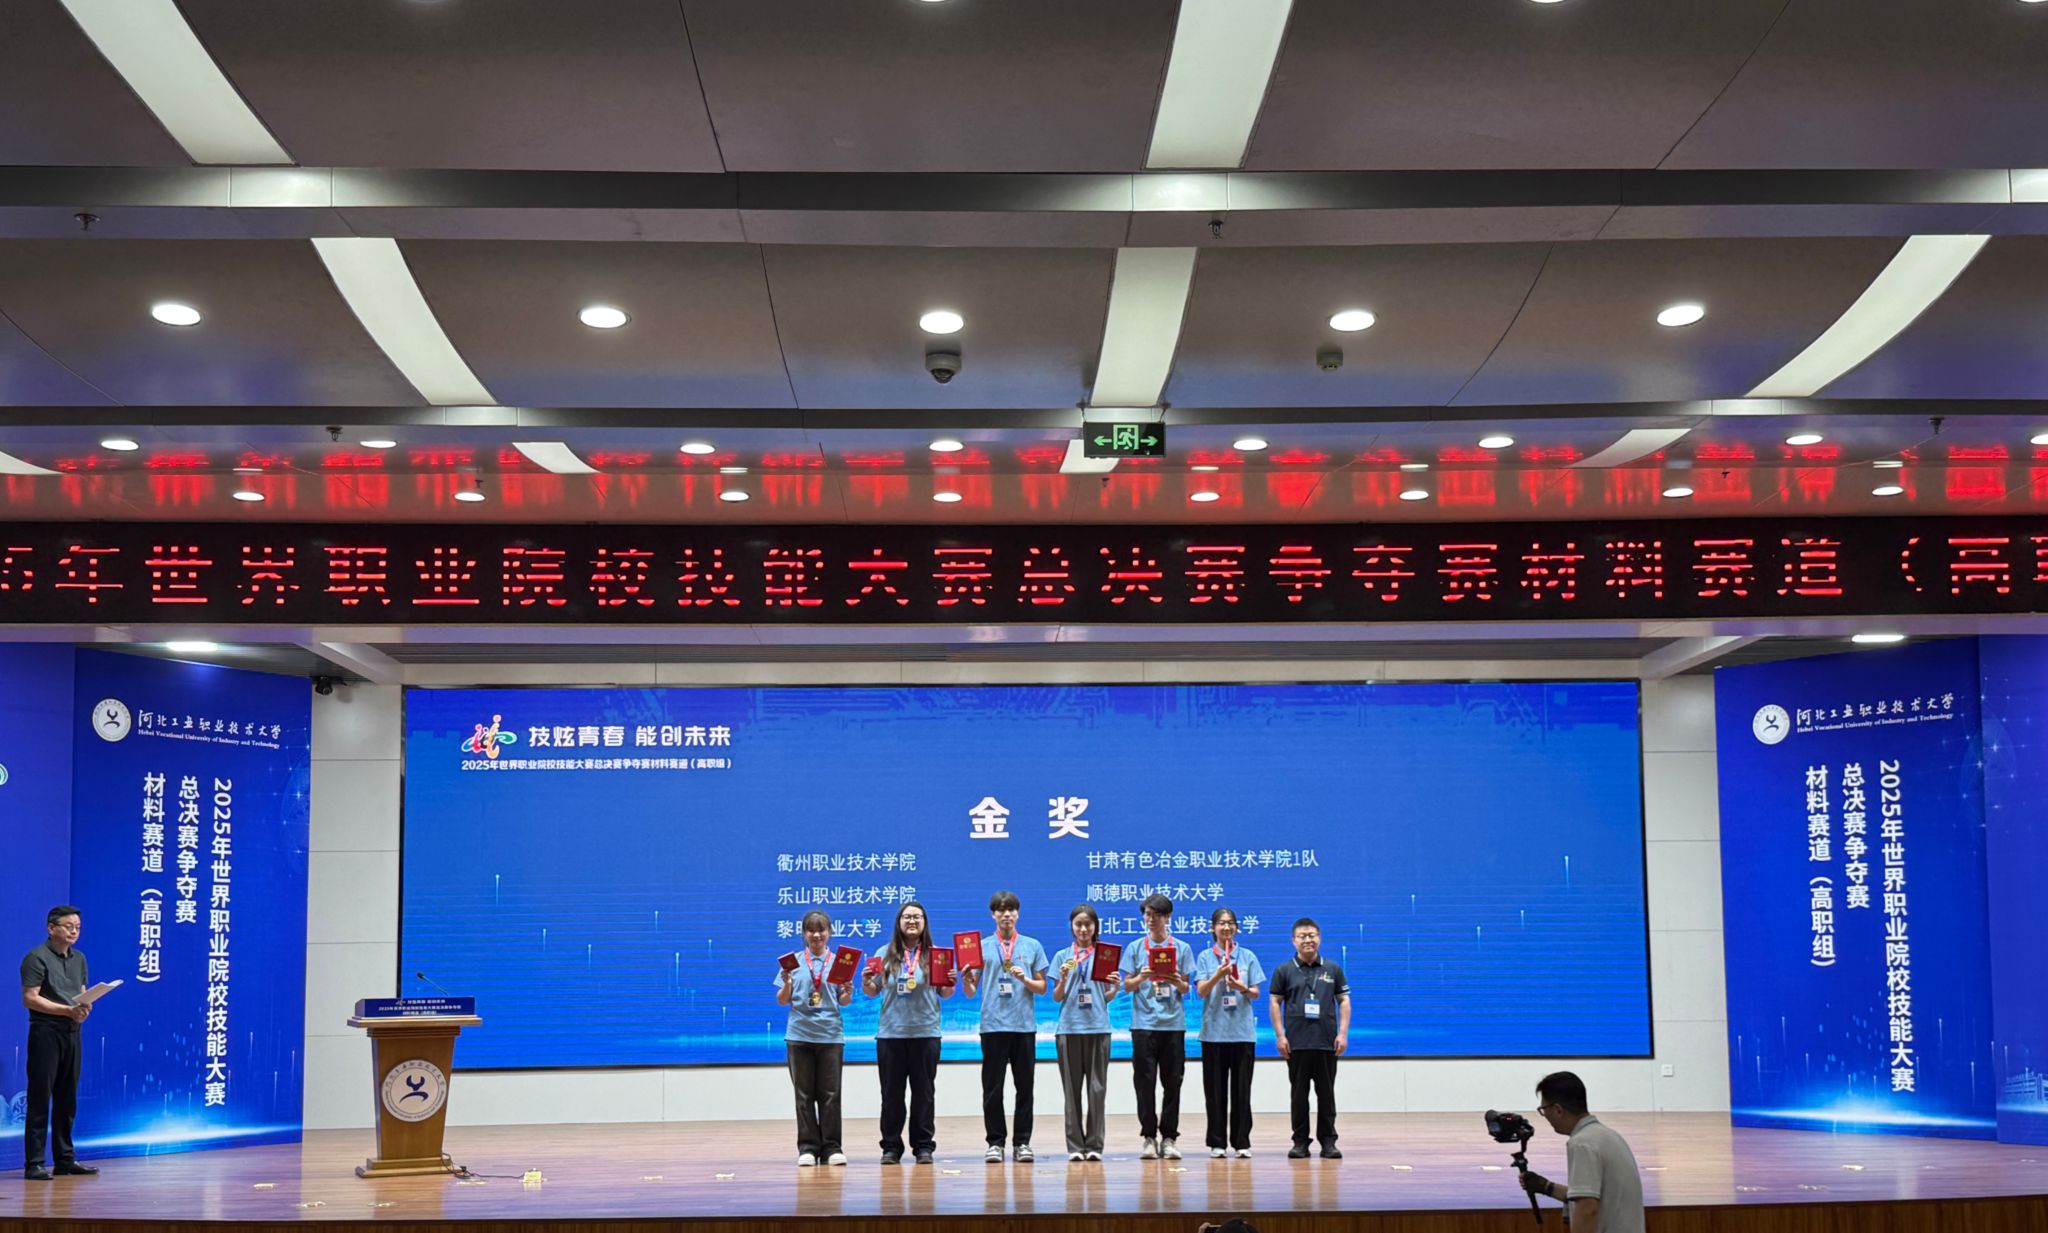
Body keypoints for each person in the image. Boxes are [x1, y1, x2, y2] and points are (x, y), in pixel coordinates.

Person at [961, 891, 1049, 1163]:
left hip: (1023, 1027)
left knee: (1025, 1088)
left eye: (1011, 910)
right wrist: (966, 979)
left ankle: (1022, 1143)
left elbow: (1042, 988)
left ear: (1017, 914)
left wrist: (1025, 980)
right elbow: (970, 991)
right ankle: (995, 1143)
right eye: (1001, 910)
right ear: (993, 915)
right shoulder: (981, 946)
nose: (1006, 915)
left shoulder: (1032, 945)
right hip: (992, 1026)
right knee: (992, 1088)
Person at [863, 900, 952, 1164]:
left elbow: (945, 993)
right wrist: (866, 982)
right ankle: (891, 1146)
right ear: (898, 922)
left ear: (925, 922)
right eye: (907, 917)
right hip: (891, 1035)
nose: (912, 921)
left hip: (926, 1033)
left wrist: (951, 982)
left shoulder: (936, 955)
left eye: (917, 917)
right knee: (891, 1095)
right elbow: (872, 991)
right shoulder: (884, 953)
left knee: (924, 1094)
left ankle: (923, 1146)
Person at [1518, 1071, 1645, 1233]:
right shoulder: (1608, 1136)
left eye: (1543, 1109)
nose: (1545, 1116)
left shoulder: (1582, 1143)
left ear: (1557, 1109)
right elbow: (1595, 1197)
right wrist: (1546, 1187)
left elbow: (1587, 1208)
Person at [21, 905, 96, 1181]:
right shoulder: (36, 957)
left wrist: (84, 1008)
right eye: (68, 926)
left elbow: (81, 992)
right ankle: (34, 1163)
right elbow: (30, 998)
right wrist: (67, 1010)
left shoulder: (79, 959)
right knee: (40, 1096)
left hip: (72, 1031)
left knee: (68, 1097)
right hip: (46, 1032)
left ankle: (65, 1159)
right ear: (51, 928)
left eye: (78, 927)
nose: (74, 931)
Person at [1119, 893, 1195, 1160]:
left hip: (1173, 1025)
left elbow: (1186, 988)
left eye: (1157, 915)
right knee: (1144, 1083)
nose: (1151, 920)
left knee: (1173, 1082)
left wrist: (1175, 980)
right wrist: (1142, 976)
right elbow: (1127, 986)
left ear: (1167, 917)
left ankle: (1170, 1137)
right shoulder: (1135, 947)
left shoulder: (1182, 948)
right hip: (1143, 1025)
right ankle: (1149, 1137)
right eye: (1147, 915)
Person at [776, 909, 853, 1167]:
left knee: (830, 1095)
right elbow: (782, 1000)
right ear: (803, 933)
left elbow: (843, 1000)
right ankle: (808, 1147)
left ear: (830, 932)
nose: (817, 935)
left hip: (830, 1036)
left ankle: (832, 1148)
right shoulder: (793, 963)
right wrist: (787, 982)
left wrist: (847, 992)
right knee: (804, 1095)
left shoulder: (840, 962)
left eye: (821, 930)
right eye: (811, 930)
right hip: (799, 1036)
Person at [1267, 917, 1349, 1160]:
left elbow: (1344, 1001)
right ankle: (1300, 1142)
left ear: (1319, 938)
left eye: (1312, 935)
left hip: (1326, 1043)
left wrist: (1343, 1033)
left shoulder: (1333, 969)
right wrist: (1280, 1036)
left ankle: (1328, 1142)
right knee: (1299, 1096)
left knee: (1327, 1095)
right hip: (1296, 1044)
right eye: (1302, 936)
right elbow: (1274, 1002)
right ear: (1293, 940)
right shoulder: (1283, 970)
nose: (1307, 940)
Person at [1193, 906, 1265, 1158]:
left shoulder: (1247, 956)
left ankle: (1242, 1142)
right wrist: (1218, 975)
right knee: (1215, 1092)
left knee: (1242, 1091)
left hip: (1242, 1034)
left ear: (1236, 927)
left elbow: (1255, 993)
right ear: (1212, 928)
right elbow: (1201, 991)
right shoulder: (1205, 957)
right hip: (1213, 1034)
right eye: (1221, 923)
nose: (1226, 927)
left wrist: (1240, 986)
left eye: (1230, 923)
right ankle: (1217, 1142)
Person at [1050, 902, 1117, 1161]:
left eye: (1088, 924)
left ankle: (1095, 1146)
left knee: (1097, 1090)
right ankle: (1075, 1147)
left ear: (1095, 927)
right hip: (1069, 1029)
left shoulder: (1105, 955)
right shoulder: (1062, 956)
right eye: (1078, 924)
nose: (1083, 929)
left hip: (1098, 1027)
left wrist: (1115, 987)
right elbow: (1057, 997)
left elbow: (1105, 996)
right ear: (1072, 927)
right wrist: (1063, 979)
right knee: (1072, 1090)